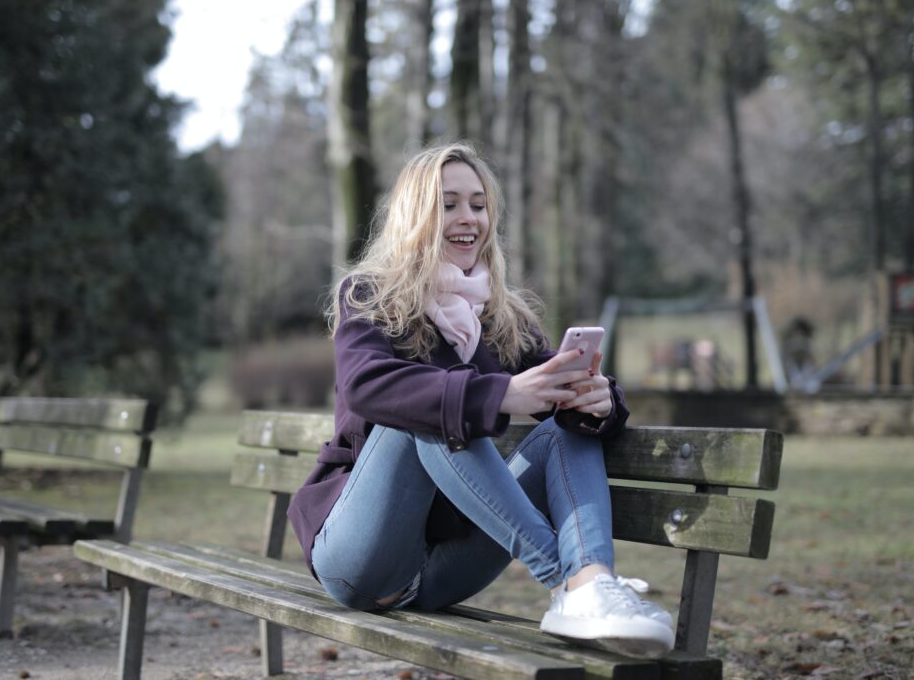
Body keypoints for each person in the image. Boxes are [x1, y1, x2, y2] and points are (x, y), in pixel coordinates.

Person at [286, 143, 674, 658]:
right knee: (425, 415)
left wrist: (597, 401)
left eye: (478, 204)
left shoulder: (503, 317)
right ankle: (569, 581)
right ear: (416, 215)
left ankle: (590, 578)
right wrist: (504, 394)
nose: (468, 217)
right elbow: (367, 386)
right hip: (361, 558)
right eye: (448, 204)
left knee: (564, 430)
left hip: (445, 572)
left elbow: (562, 395)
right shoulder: (368, 296)